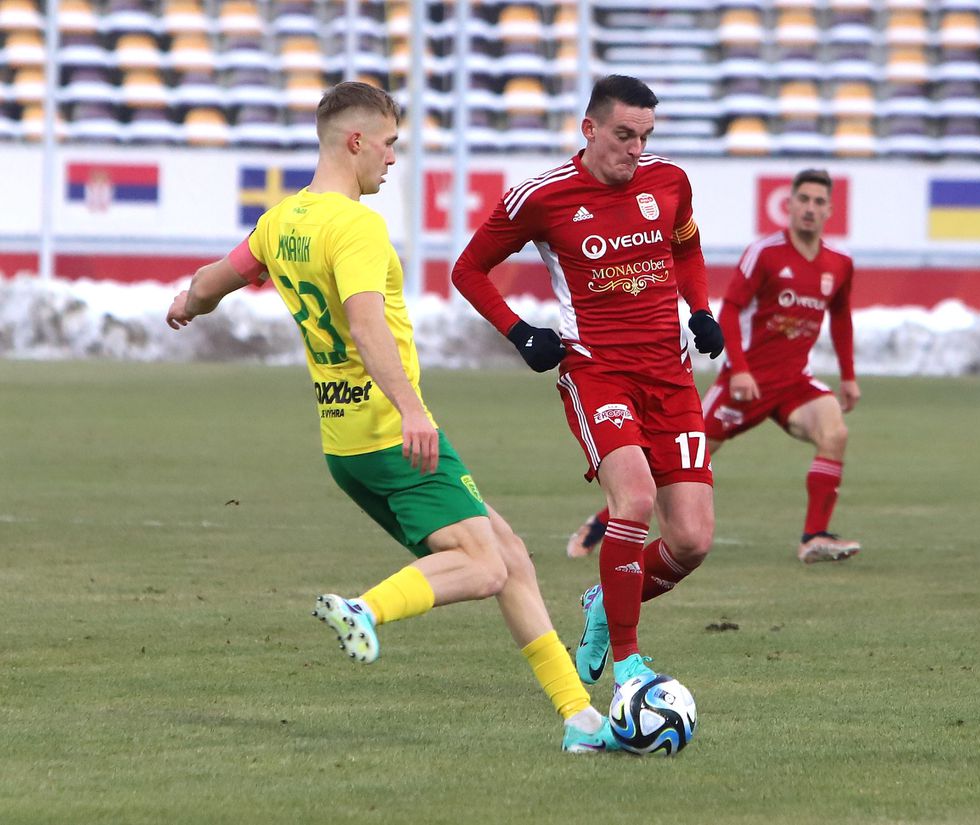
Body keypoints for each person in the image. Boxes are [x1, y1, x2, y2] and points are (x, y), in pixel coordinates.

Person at [165, 81, 617, 754]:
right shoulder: (356, 227)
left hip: (343, 439)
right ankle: (363, 608)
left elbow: (212, 282)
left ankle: (580, 718)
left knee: (511, 555)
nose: (393, 158)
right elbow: (367, 325)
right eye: (389, 143)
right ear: (356, 141)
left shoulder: (282, 221)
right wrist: (412, 410)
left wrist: (187, 302)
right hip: (389, 431)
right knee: (487, 567)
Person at [451, 75, 725, 691]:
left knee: (692, 541)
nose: (635, 149)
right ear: (590, 129)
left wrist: (701, 308)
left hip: (672, 377)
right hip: (597, 371)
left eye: (645, 137)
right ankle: (628, 662)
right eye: (624, 135)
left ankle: (604, 601)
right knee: (633, 501)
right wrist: (521, 332)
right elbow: (469, 269)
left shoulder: (670, 182)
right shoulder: (541, 197)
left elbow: (687, 249)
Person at [567, 168, 861, 564]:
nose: (810, 208)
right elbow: (733, 307)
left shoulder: (839, 264)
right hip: (746, 382)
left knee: (835, 433)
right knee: (677, 461)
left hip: (794, 383)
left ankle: (814, 537)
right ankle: (603, 522)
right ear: (789, 205)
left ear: (830, 210)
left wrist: (848, 376)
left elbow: (841, 317)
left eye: (819, 202)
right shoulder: (766, 254)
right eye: (803, 200)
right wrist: (738, 368)